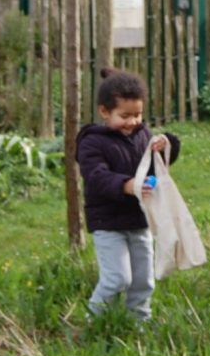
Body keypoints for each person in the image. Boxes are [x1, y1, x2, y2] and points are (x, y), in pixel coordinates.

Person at [77, 69, 180, 321]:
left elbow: (156, 168)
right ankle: (95, 323)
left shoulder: (142, 134)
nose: (133, 121)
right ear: (104, 112)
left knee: (144, 280)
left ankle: (138, 324)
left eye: (138, 115)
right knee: (117, 278)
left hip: (139, 220)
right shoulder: (92, 142)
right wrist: (127, 185)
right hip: (108, 222)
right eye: (125, 116)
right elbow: (96, 176)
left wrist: (168, 144)